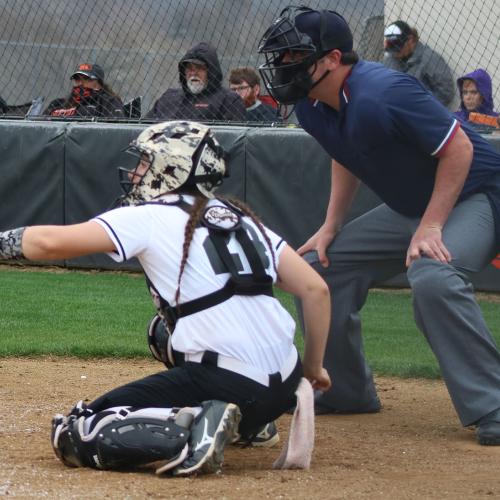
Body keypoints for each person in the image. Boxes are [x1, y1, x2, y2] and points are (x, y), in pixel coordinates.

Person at [0, 120, 331, 475]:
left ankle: (196, 427)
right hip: (283, 385)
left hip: (233, 380)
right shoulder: (244, 219)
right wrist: (312, 368)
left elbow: (49, 243)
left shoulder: (150, 216)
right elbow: (316, 290)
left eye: (145, 161)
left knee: (78, 432)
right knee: (162, 332)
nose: (136, 171)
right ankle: (252, 428)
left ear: (172, 169)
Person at [258, 6, 500, 445]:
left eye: (294, 56)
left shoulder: (383, 92)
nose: (282, 66)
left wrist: (431, 226)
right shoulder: (311, 104)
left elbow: (460, 149)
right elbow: (344, 151)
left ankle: (494, 402)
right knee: (316, 265)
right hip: (419, 206)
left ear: (331, 59)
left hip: (480, 191)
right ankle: (346, 392)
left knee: (433, 274)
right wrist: (331, 224)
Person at [145, 43, 246, 122]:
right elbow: (144, 126)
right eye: (189, 68)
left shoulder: (228, 100)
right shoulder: (168, 98)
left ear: (211, 72)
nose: (193, 73)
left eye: (199, 68)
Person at [381, 20, 455, 107]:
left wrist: (422, 107)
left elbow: (446, 91)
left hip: (422, 114)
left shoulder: (429, 58)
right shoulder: (390, 59)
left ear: (411, 40)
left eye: (398, 46)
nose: (395, 52)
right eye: (391, 47)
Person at [44, 63, 125, 119]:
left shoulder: (109, 101)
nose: (80, 82)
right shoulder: (58, 103)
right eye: (77, 79)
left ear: (98, 82)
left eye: (86, 79)